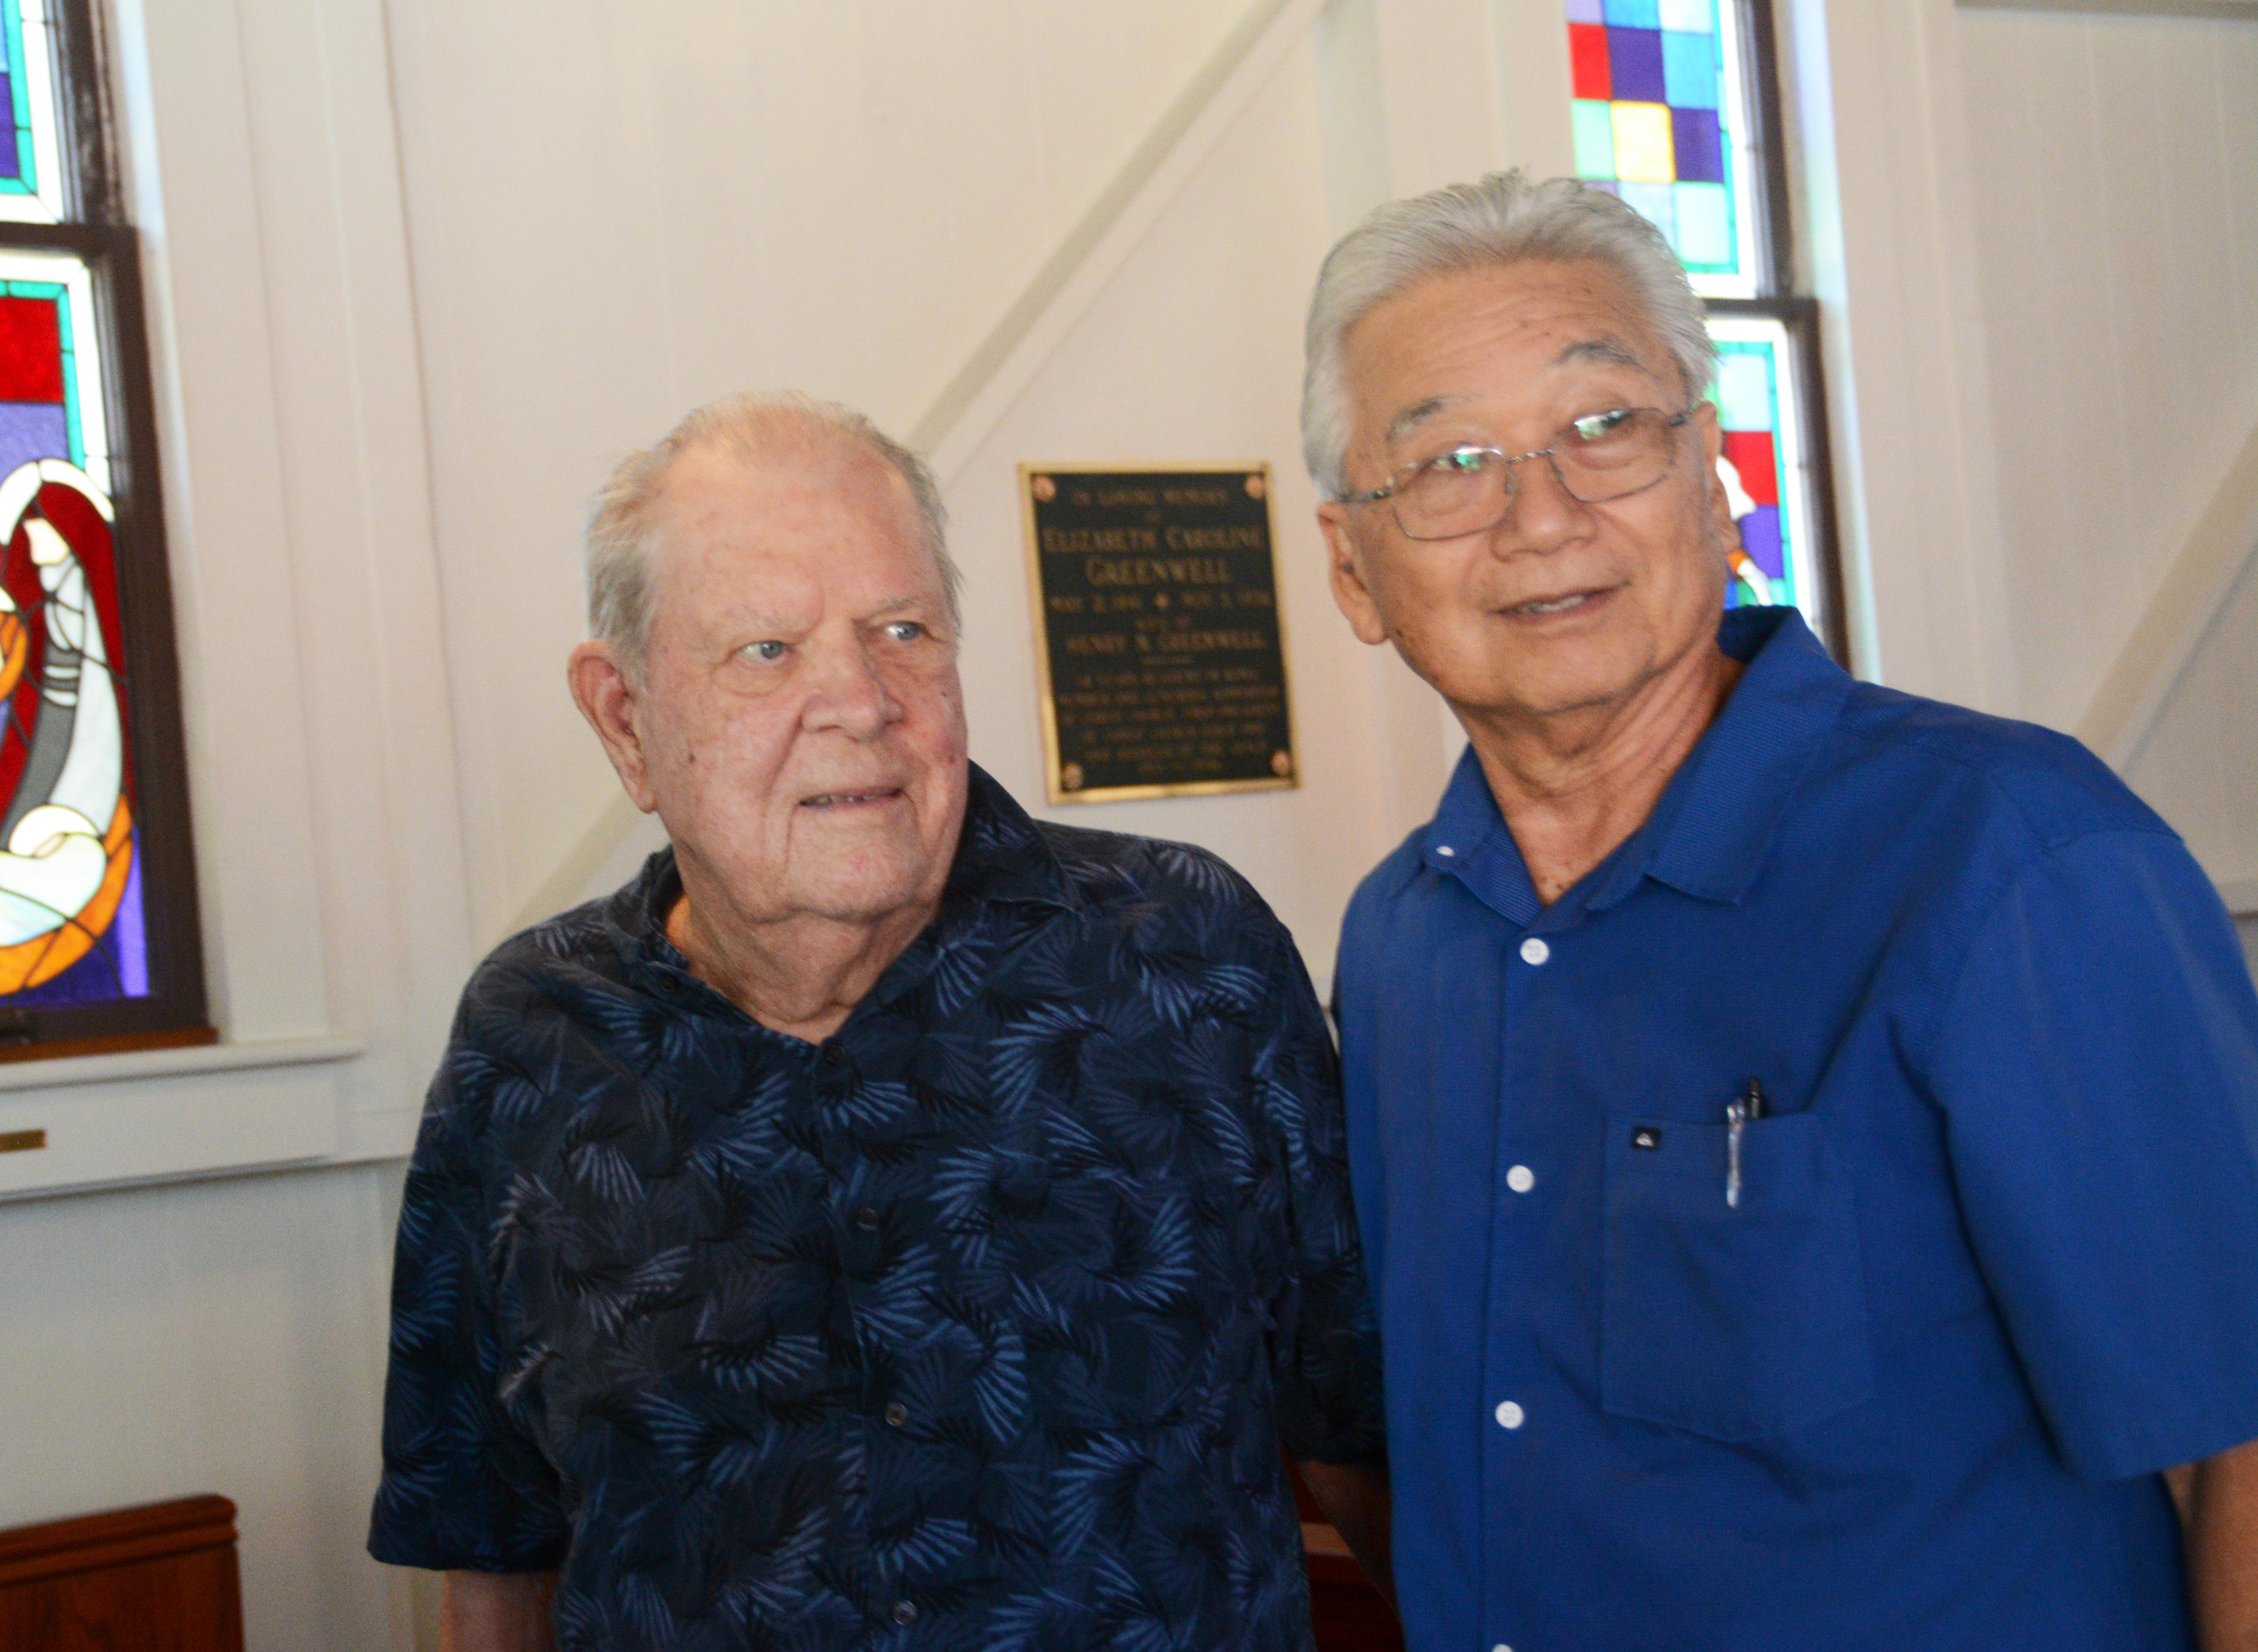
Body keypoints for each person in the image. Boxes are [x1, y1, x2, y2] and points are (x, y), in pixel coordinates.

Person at [1308, 171, 2258, 1651]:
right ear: (1351, 571)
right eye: (1448, 464)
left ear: (1714, 477)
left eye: (1604, 428)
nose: (1540, 515)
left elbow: (2236, 1444)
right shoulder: (1397, 943)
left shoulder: (2007, 859)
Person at [366, 393, 1390, 1649]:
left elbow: (1362, 1433)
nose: (858, 700)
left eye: (902, 630)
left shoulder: (1184, 960)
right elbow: (489, 1540)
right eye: (766, 650)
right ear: (623, 719)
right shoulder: (530, 1042)